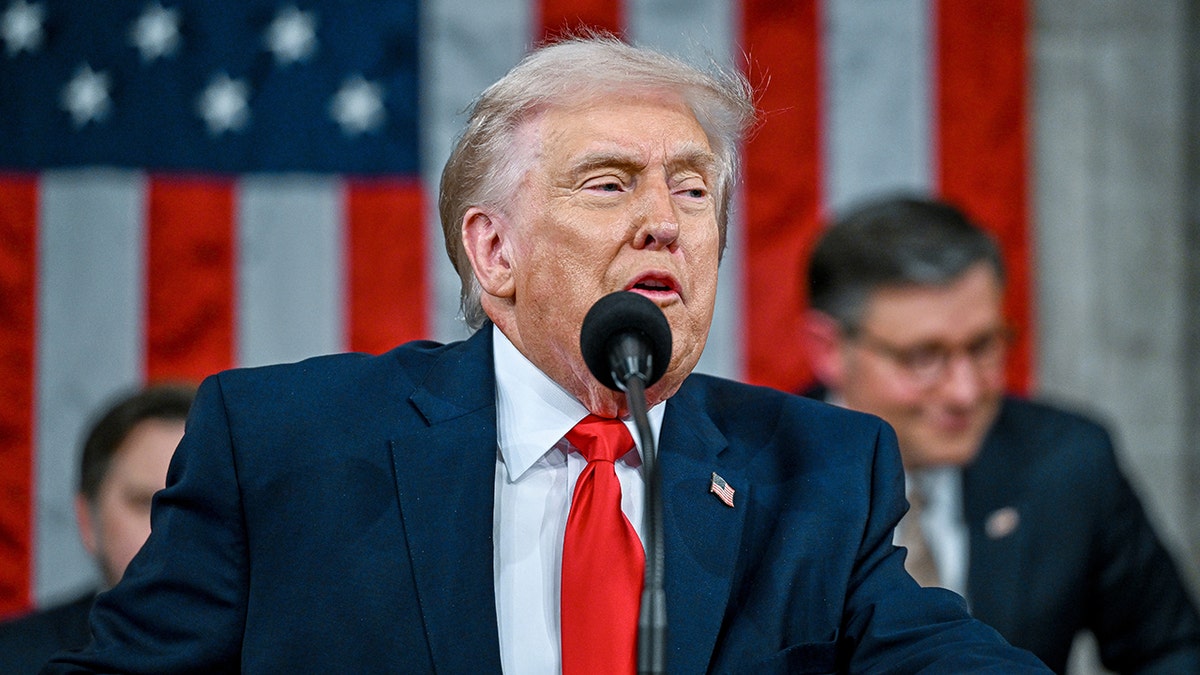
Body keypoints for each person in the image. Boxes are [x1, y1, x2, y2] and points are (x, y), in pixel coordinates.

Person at [45, 37, 1049, 673]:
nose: (666, 221)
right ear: (494, 251)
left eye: (694, 190)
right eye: (610, 185)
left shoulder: (815, 469)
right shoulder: (285, 448)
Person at [801, 194, 1200, 673]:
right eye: (924, 357)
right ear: (828, 349)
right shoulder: (760, 478)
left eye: (983, 345)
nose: (965, 393)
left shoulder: (1067, 461)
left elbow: (1171, 652)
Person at [0, 383, 194, 674]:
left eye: (197, 504)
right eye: (145, 503)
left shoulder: (281, 658)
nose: (171, 528)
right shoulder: (11, 659)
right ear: (88, 520)